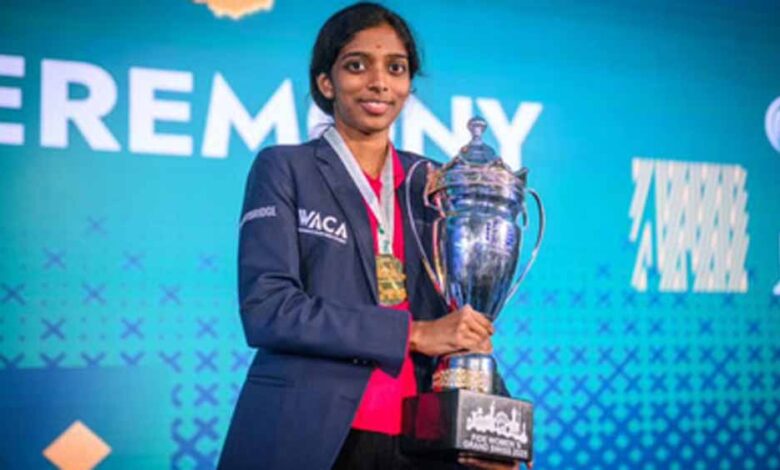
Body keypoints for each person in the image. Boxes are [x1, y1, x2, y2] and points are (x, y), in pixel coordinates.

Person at [218, 3, 524, 469]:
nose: (379, 82)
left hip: (422, 442)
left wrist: (491, 426)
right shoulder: (285, 168)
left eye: (395, 68)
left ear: (408, 86)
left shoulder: (430, 182)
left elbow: (458, 315)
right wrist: (414, 334)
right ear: (326, 82)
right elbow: (268, 309)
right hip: (311, 434)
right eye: (357, 65)